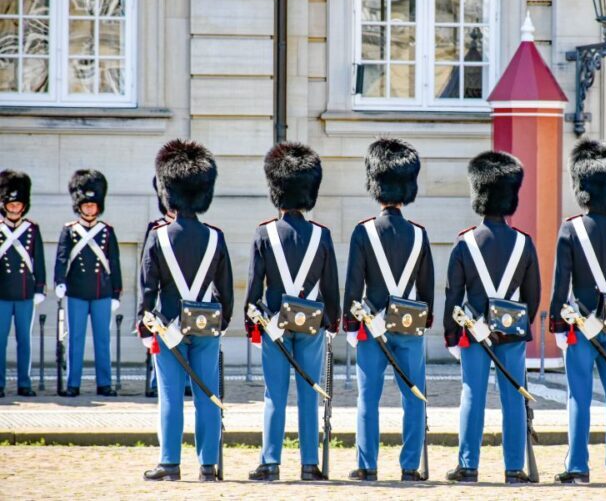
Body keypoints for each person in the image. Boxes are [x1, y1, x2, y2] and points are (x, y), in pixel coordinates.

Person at [443, 151, 541, 484]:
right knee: (513, 397)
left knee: (472, 396)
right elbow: (532, 296)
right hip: (512, 332)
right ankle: (514, 468)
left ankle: (468, 466)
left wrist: (451, 335)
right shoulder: (524, 243)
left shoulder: (465, 243)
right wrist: (518, 324)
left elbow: (453, 295)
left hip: (474, 334)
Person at [139, 139, 234, 481]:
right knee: (207, 395)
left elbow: (148, 287)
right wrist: (222, 322)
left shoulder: (158, 236)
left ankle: (169, 463)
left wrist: (145, 324)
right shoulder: (215, 236)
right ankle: (208, 465)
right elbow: (225, 289)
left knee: (170, 397)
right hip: (206, 325)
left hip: (168, 327)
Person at [245, 142, 340, 482]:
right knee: (309, 394)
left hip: (274, 324)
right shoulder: (322, 235)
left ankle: (270, 462)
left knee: (275, 395)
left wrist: (252, 323)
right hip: (312, 324)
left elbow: (254, 286)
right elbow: (331, 285)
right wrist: (332, 321)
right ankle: (309, 464)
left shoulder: (264, 233)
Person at [342, 138, 434, 482]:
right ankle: (410, 467)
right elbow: (426, 289)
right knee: (414, 397)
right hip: (409, 327)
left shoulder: (363, 232)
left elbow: (353, 285)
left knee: (368, 399)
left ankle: (367, 465)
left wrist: (351, 324)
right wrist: (424, 320)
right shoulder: (419, 234)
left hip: (372, 326)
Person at [548, 139, 606, 484]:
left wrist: (558, 323)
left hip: (580, 328)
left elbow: (561, 284)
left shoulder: (571, 229)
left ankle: (577, 467)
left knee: (579, 398)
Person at [54, 170, 122, 397]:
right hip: (77, 292)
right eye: (86, 205)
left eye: (93, 205)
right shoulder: (70, 230)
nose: (90, 209)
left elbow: (114, 263)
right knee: (75, 339)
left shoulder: (107, 231)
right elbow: (62, 258)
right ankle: (73, 384)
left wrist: (116, 293)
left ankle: (104, 383)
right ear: (79, 207)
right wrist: (59, 282)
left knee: (103, 340)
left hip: (102, 292)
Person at [140, 176, 190, 399]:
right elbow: (146, 266)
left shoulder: (190, 227)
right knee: (161, 335)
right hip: (163, 290)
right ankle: (156, 380)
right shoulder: (155, 228)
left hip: (188, 289)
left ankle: (186, 380)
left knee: (187, 335)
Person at [0, 170, 46, 398]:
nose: (14, 208)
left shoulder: (31, 229)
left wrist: (40, 288)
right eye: (11, 204)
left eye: (18, 204)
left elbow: (39, 260)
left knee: (24, 341)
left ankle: (24, 383)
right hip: (2, 294)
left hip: (25, 293)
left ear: (23, 206)